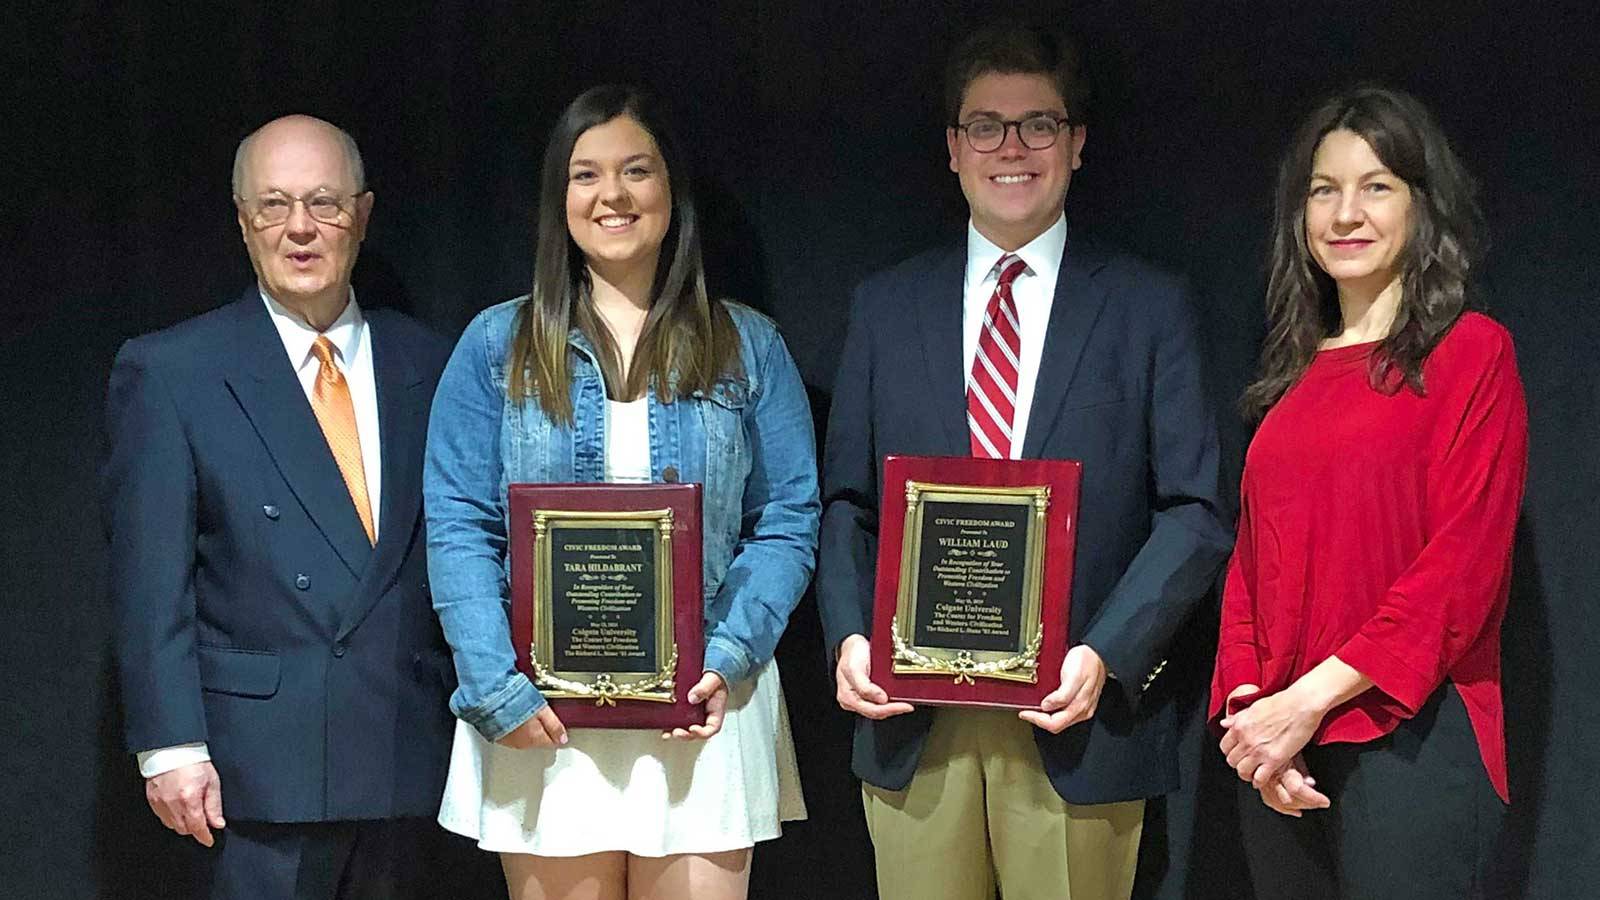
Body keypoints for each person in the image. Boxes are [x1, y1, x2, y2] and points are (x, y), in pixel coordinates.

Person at [816, 22, 1232, 900]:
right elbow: (845, 501)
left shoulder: (1149, 306)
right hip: (914, 721)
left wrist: (1109, 656)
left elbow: (1195, 510)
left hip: (1077, 718)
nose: (1013, 149)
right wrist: (852, 637)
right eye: (986, 127)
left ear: (1077, 144)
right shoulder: (886, 308)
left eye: (1038, 125)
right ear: (954, 149)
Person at [423, 84, 817, 900]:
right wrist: (495, 684)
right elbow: (459, 525)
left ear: (671, 189)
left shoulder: (750, 346)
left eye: (636, 170)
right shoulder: (496, 346)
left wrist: (726, 656)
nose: (612, 195)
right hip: (545, 721)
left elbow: (786, 519)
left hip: (704, 707)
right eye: (586, 174)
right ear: (557, 198)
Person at [102, 115, 456, 899]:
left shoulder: (435, 363)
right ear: (241, 220)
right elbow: (149, 582)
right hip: (254, 776)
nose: (300, 228)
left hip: (412, 756)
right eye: (273, 205)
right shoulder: (172, 371)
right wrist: (168, 746)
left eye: (323, 203)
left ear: (361, 215)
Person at [1211, 85, 1528, 900]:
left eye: (1376, 186)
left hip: (1412, 737)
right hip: (1284, 754)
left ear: (1424, 206)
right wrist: (1254, 716)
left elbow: (1460, 570)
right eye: (1324, 190)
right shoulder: (1289, 377)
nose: (1345, 213)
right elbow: (1251, 566)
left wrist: (1305, 703)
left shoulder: (1471, 354)